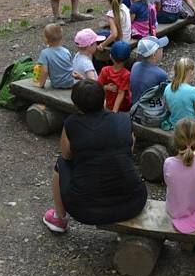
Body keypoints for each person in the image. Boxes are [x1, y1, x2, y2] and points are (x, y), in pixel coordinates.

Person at [42, 80, 147, 233]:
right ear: (104, 99)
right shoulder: (124, 120)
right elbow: (129, 150)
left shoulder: (71, 124)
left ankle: (59, 219)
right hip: (134, 203)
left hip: (86, 211)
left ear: (76, 105)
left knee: (60, 163)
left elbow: (66, 155)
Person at [163, 118, 195, 234]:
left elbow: (168, 183)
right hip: (194, 211)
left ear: (175, 140)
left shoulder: (168, 162)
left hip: (172, 211)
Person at [163, 57, 195, 134]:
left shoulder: (167, 87)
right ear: (191, 72)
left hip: (176, 124)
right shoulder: (193, 91)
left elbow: (169, 109)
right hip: (191, 128)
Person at [129, 36, 169, 103]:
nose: (162, 50)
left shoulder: (135, 65)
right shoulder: (161, 74)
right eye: (161, 48)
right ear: (154, 54)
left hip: (134, 107)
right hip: (150, 110)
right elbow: (166, 95)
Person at [35, 23, 75, 89]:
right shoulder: (66, 51)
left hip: (57, 84)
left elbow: (45, 71)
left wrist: (41, 85)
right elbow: (70, 67)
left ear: (46, 40)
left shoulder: (45, 53)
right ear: (61, 38)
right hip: (70, 82)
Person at [98, 41, 132, 112]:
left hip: (109, 104)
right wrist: (114, 112)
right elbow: (120, 93)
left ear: (110, 56)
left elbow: (98, 86)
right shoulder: (126, 74)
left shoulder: (105, 70)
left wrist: (106, 87)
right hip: (123, 107)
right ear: (128, 58)